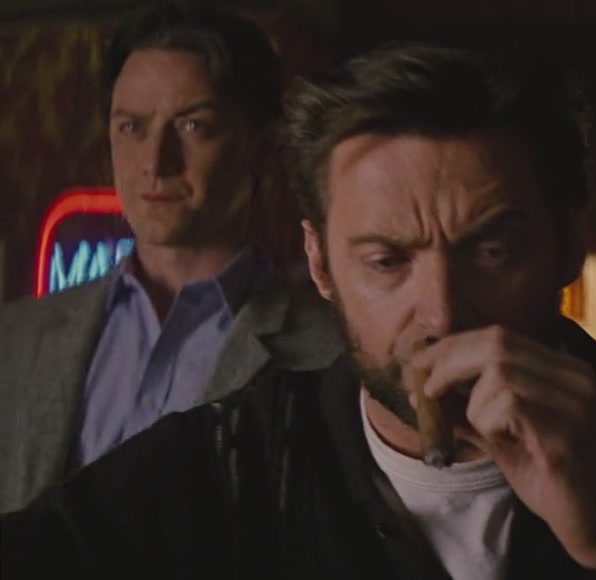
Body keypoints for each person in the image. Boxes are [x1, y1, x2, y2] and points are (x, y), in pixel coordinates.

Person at [0, 44, 596, 580]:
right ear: (320, 263)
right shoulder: (228, 465)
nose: (441, 311)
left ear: (569, 241)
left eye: (490, 251)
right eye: (387, 262)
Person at [0, 3, 341, 513]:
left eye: (193, 125)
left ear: (259, 145)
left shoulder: (328, 355)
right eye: (132, 127)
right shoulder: (17, 340)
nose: (155, 163)